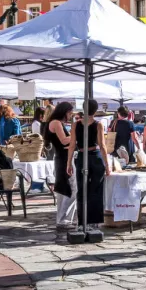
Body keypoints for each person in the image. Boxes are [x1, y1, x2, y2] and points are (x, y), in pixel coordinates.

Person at [73, 99, 107, 237]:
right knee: (96, 189)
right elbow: (103, 145)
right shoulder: (98, 124)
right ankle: (94, 221)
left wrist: (69, 162)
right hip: (95, 156)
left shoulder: (76, 124)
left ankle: (82, 222)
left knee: (81, 190)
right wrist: (108, 165)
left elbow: (71, 145)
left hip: (81, 156)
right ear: (95, 110)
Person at [48, 101, 77, 241]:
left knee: (67, 188)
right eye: (69, 112)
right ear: (64, 111)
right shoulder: (56, 123)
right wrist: (78, 135)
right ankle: (63, 220)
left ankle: (65, 219)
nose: (70, 115)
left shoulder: (56, 122)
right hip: (63, 158)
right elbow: (64, 140)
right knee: (69, 189)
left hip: (63, 157)